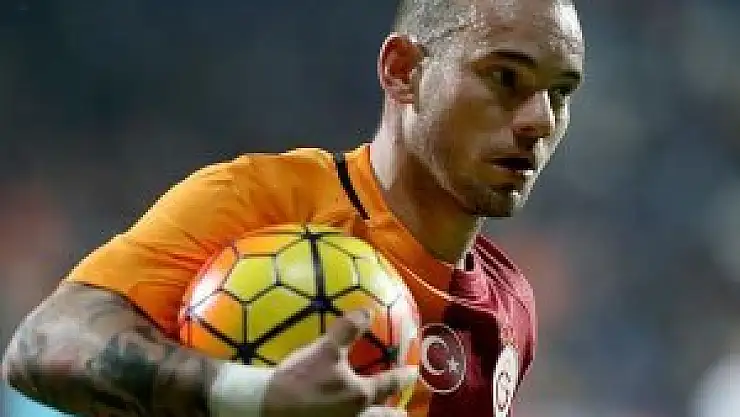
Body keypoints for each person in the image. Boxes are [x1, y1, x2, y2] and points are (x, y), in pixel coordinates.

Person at [0, 0, 584, 416]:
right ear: (403, 71)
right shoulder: (262, 202)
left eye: (561, 92)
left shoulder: (510, 306)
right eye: (505, 77)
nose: (541, 120)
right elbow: (43, 347)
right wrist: (255, 397)